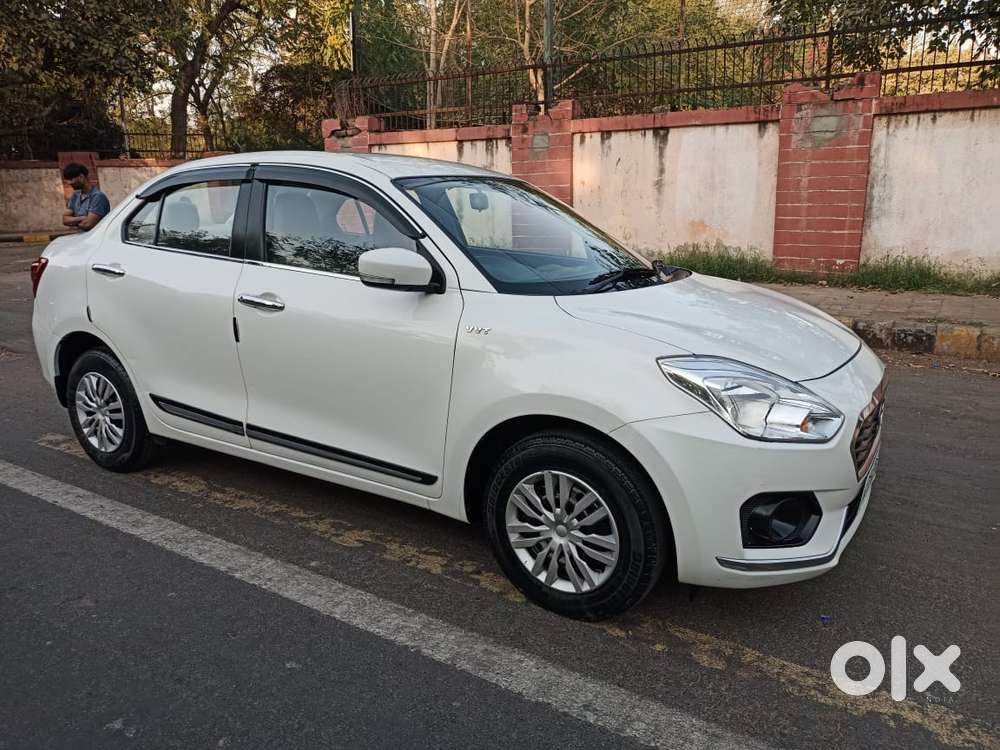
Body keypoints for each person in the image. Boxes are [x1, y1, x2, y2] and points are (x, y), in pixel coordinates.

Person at [62, 162, 111, 231]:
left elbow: (87, 224)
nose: (69, 183)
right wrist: (82, 218)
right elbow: (64, 220)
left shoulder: (97, 197)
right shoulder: (75, 196)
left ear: (81, 177)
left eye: (71, 179)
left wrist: (73, 221)